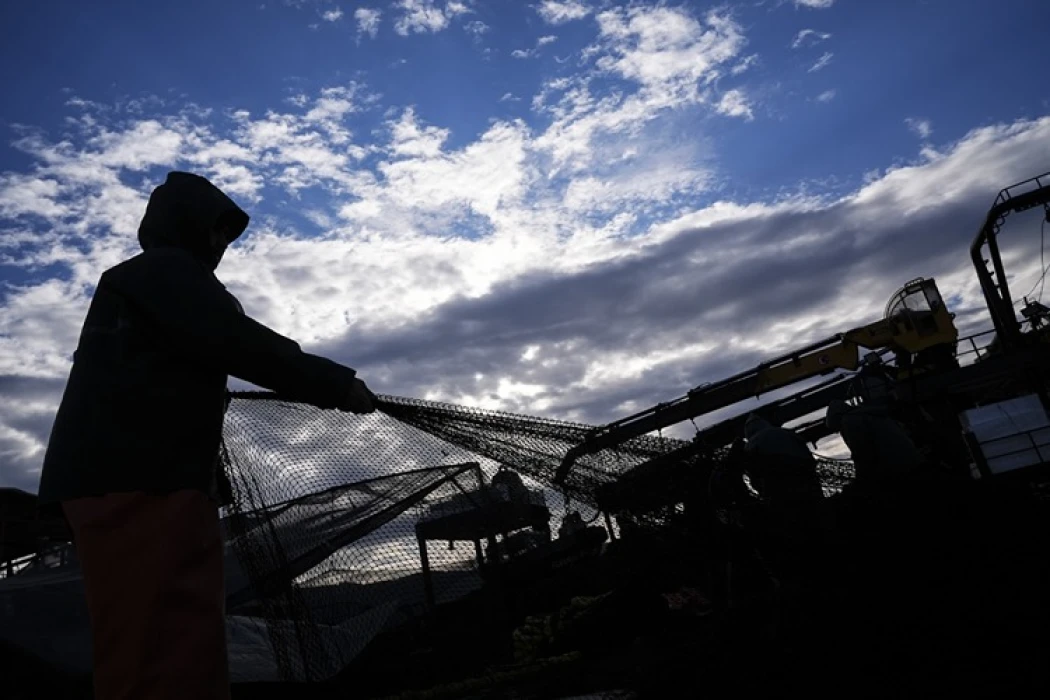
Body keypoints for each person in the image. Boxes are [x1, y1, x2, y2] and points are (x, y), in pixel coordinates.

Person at [36, 171, 376, 700]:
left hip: (140, 478)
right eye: (215, 229)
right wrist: (333, 382)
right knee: (160, 647)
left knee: (172, 638)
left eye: (227, 233)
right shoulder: (161, 273)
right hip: (138, 480)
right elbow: (232, 339)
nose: (222, 244)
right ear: (184, 224)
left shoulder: (151, 285)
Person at [825, 399, 925, 482]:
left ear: (836, 419)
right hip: (911, 459)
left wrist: (861, 479)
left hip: (898, 469)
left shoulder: (850, 421)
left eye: (837, 429)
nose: (839, 432)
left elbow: (863, 453)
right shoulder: (869, 414)